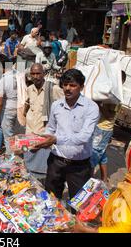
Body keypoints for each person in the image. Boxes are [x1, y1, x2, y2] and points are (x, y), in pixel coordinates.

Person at [35, 69, 99, 200]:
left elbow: (84, 136)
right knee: (51, 200)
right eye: (65, 85)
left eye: (73, 85)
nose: (68, 89)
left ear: (81, 87)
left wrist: (55, 140)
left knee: (78, 204)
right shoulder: (56, 105)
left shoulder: (91, 107)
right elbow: (51, 128)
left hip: (79, 166)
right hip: (56, 161)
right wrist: (42, 141)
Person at [0, 55, 23, 154]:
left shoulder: (3, 80)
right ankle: (19, 157)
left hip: (8, 110)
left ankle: (12, 160)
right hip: (20, 108)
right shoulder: (19, 74)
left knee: (8, 137)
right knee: (18, 135)